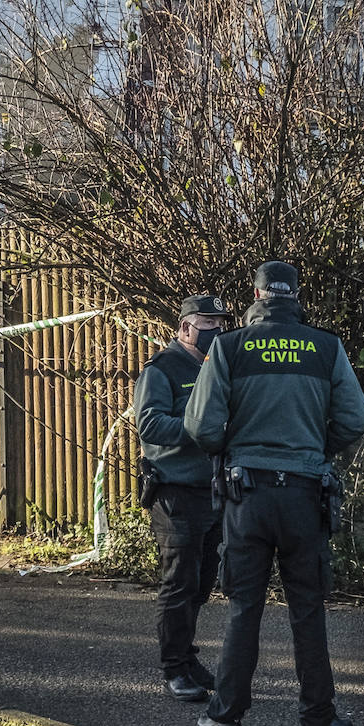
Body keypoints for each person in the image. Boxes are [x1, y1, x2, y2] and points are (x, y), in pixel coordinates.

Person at [183, 261, 364, 726]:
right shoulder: (326, 347)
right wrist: (314, 452)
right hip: (305, 496)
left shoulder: (228, 347)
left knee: (244, 606)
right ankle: (318, 717)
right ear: (295, 295)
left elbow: (201, 426)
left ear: (257, 294)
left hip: (248, 496)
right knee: (307, 607)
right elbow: (355, 417)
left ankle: (225, 715)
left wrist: (235, 448)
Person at [134, 294, 235, 703]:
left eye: (220, 324)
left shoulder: (218, 367)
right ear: (185, 328)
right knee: (178, 583)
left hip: (212, 491)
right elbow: (150, 423)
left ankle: (187, 656)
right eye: (207, 323)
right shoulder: (164, 369)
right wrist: (200, 428)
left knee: (202, 581)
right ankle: (173, 667)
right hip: (175, 492)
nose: (215, 331)